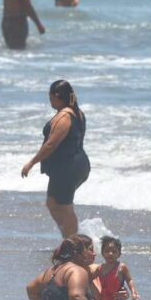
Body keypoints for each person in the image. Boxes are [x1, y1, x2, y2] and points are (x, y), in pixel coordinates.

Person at [25, 235, 150, 300]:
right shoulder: (77, 271)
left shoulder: (52, 271)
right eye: (90, 249)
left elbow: (31, 290)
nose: (94, 254)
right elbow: (76, 296)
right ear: (79, 253)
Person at [21, 80, 90, 238]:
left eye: (50, 97)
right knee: (52, 203)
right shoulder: (78, 113)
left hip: (69, 166)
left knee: (64, 206)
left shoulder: (65, 116)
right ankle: (69, 238)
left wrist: (31, 163)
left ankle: (74, 241)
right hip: (75, 164)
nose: (50, 101)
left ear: (57, 96)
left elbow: (51, 144)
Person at [96, 235, 138, 300]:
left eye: (114, 251)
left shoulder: (121, 267)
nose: (110, 254)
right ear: (102, 253)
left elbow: (129, 280)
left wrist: (134, 292)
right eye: (107, 251)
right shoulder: (99, 268)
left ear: (119, 254)